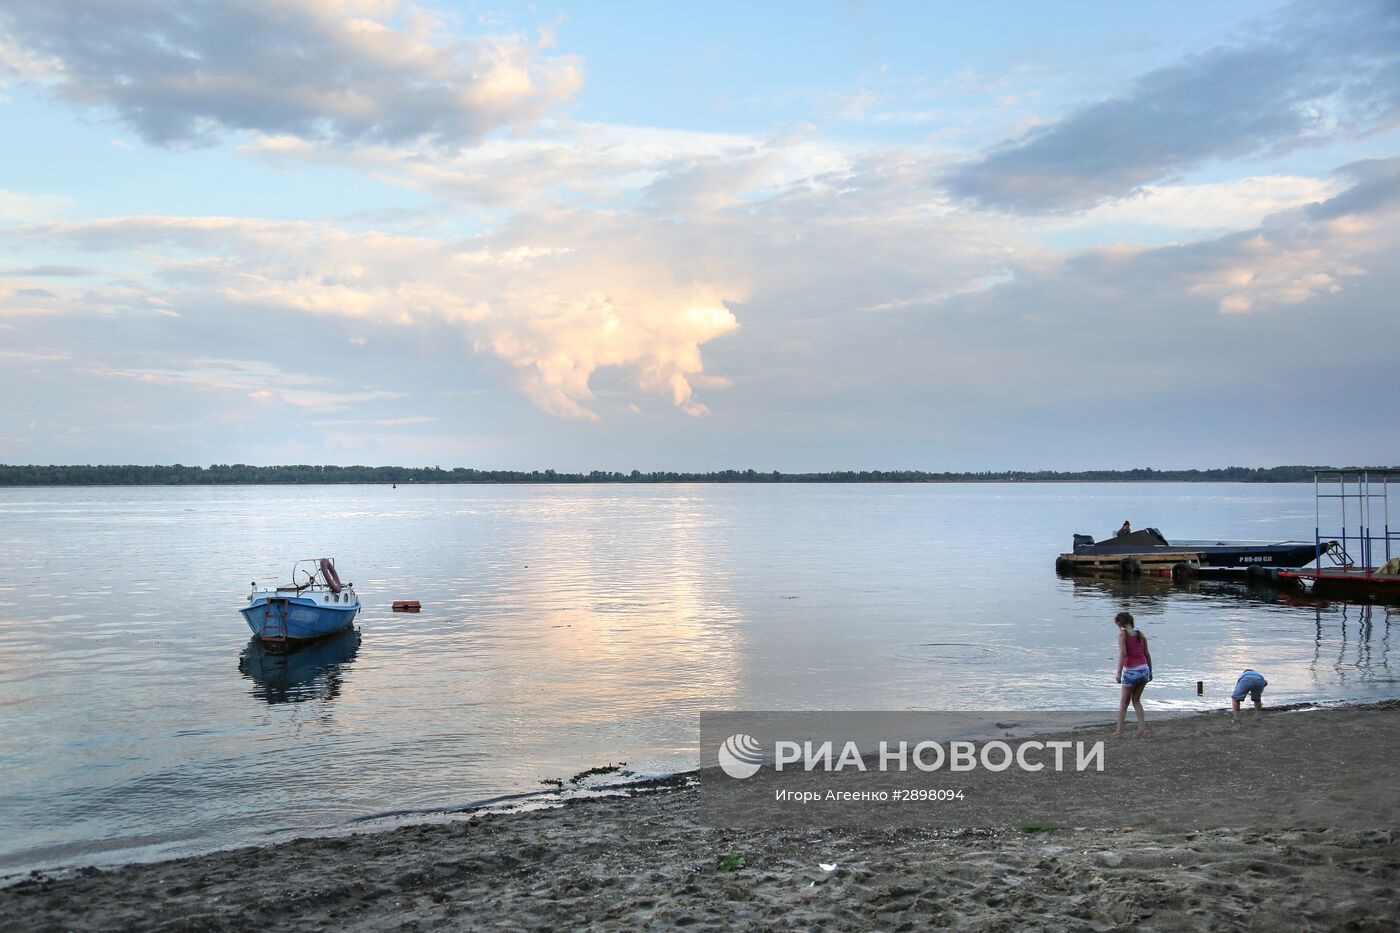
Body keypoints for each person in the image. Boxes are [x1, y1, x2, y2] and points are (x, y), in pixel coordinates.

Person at [1113, 611, 1152, 737]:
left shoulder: (1122, 636)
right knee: (1136, 700)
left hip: (1131, 671)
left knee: (1124, 702)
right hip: (1144, 670)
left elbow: (1123, 654)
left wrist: (1118, 672)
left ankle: (1119, 731)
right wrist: (1150, 671)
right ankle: (1142, 729)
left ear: (1120, 623)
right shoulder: (1140, 634)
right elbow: (1147, 654)